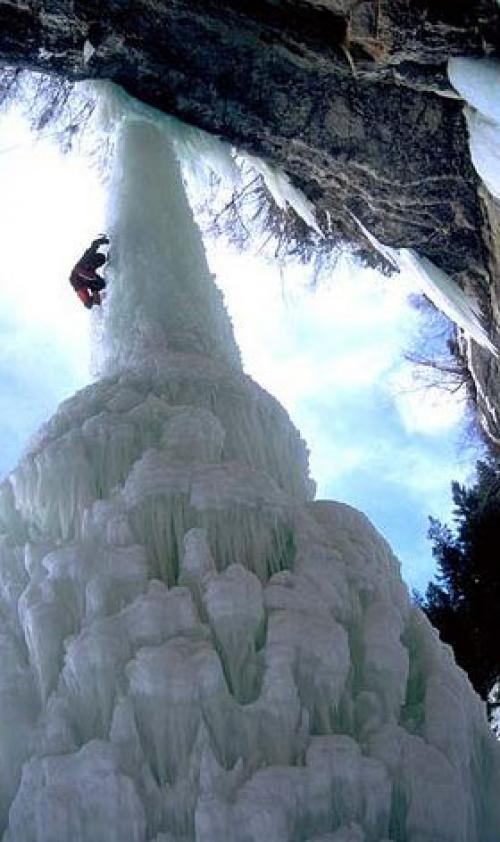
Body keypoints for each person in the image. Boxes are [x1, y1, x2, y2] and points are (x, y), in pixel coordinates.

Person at [69, 235, 109, 309]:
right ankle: (98, 307)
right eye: (96, 263)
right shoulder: (86, 258)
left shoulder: (91, 268)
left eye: (98, 264)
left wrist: (107, 240)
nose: (95, 265)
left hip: (86, 279)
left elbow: (95, 243)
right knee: (96, 286)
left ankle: (99, 298)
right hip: (78, 278)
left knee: (102, 284)